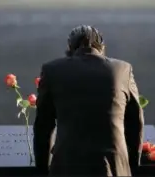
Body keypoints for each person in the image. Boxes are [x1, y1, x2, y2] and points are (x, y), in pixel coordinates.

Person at [33, 25, 144, 176]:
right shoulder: (122, 70)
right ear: (102, 46)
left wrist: (42, 169)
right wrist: (132, 165)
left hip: (67, 167)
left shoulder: (52, 70)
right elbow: (135, 122)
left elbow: (43, 128)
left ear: (70, 47)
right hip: (113, 167)